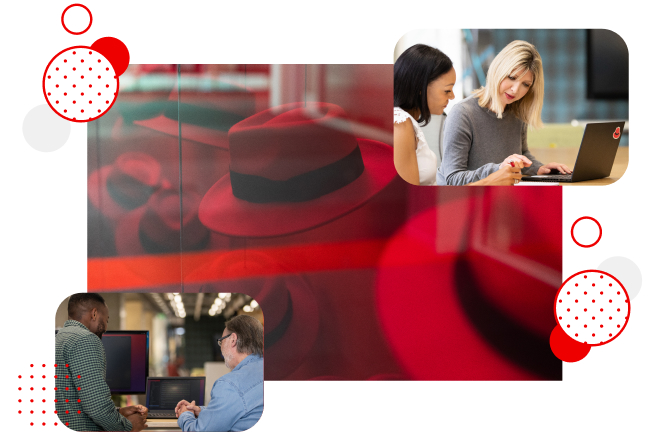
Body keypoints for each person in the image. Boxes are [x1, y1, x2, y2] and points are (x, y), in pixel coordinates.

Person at [437, 40, 572, 185]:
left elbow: (522, 155)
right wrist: (499, 169)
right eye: (512, 78)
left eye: (525, 84)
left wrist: (539, 169)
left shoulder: (516, 112)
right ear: (498, 70)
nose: (515, 89)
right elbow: (452, 179)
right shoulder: (463, 114)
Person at [394, 43, 524, 186]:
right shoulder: (401, 123)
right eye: (447, 90)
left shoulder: (408, 123)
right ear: (420, 88)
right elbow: (409, 199)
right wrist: (490, 180)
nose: (452, 96)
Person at [55, 293, 148, 431]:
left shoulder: (58, 338)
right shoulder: (86, 340)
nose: (105, 327)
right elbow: (96, 407)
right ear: (94, 314)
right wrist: (129, 426)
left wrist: (118, 412)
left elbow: (71, 401)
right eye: (106, 319)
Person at [175, 315, 264, 432]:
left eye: (221, 341)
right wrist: (204, 412)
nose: (221, 347)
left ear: (233, 340)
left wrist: (185, 415)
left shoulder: (230, 385)